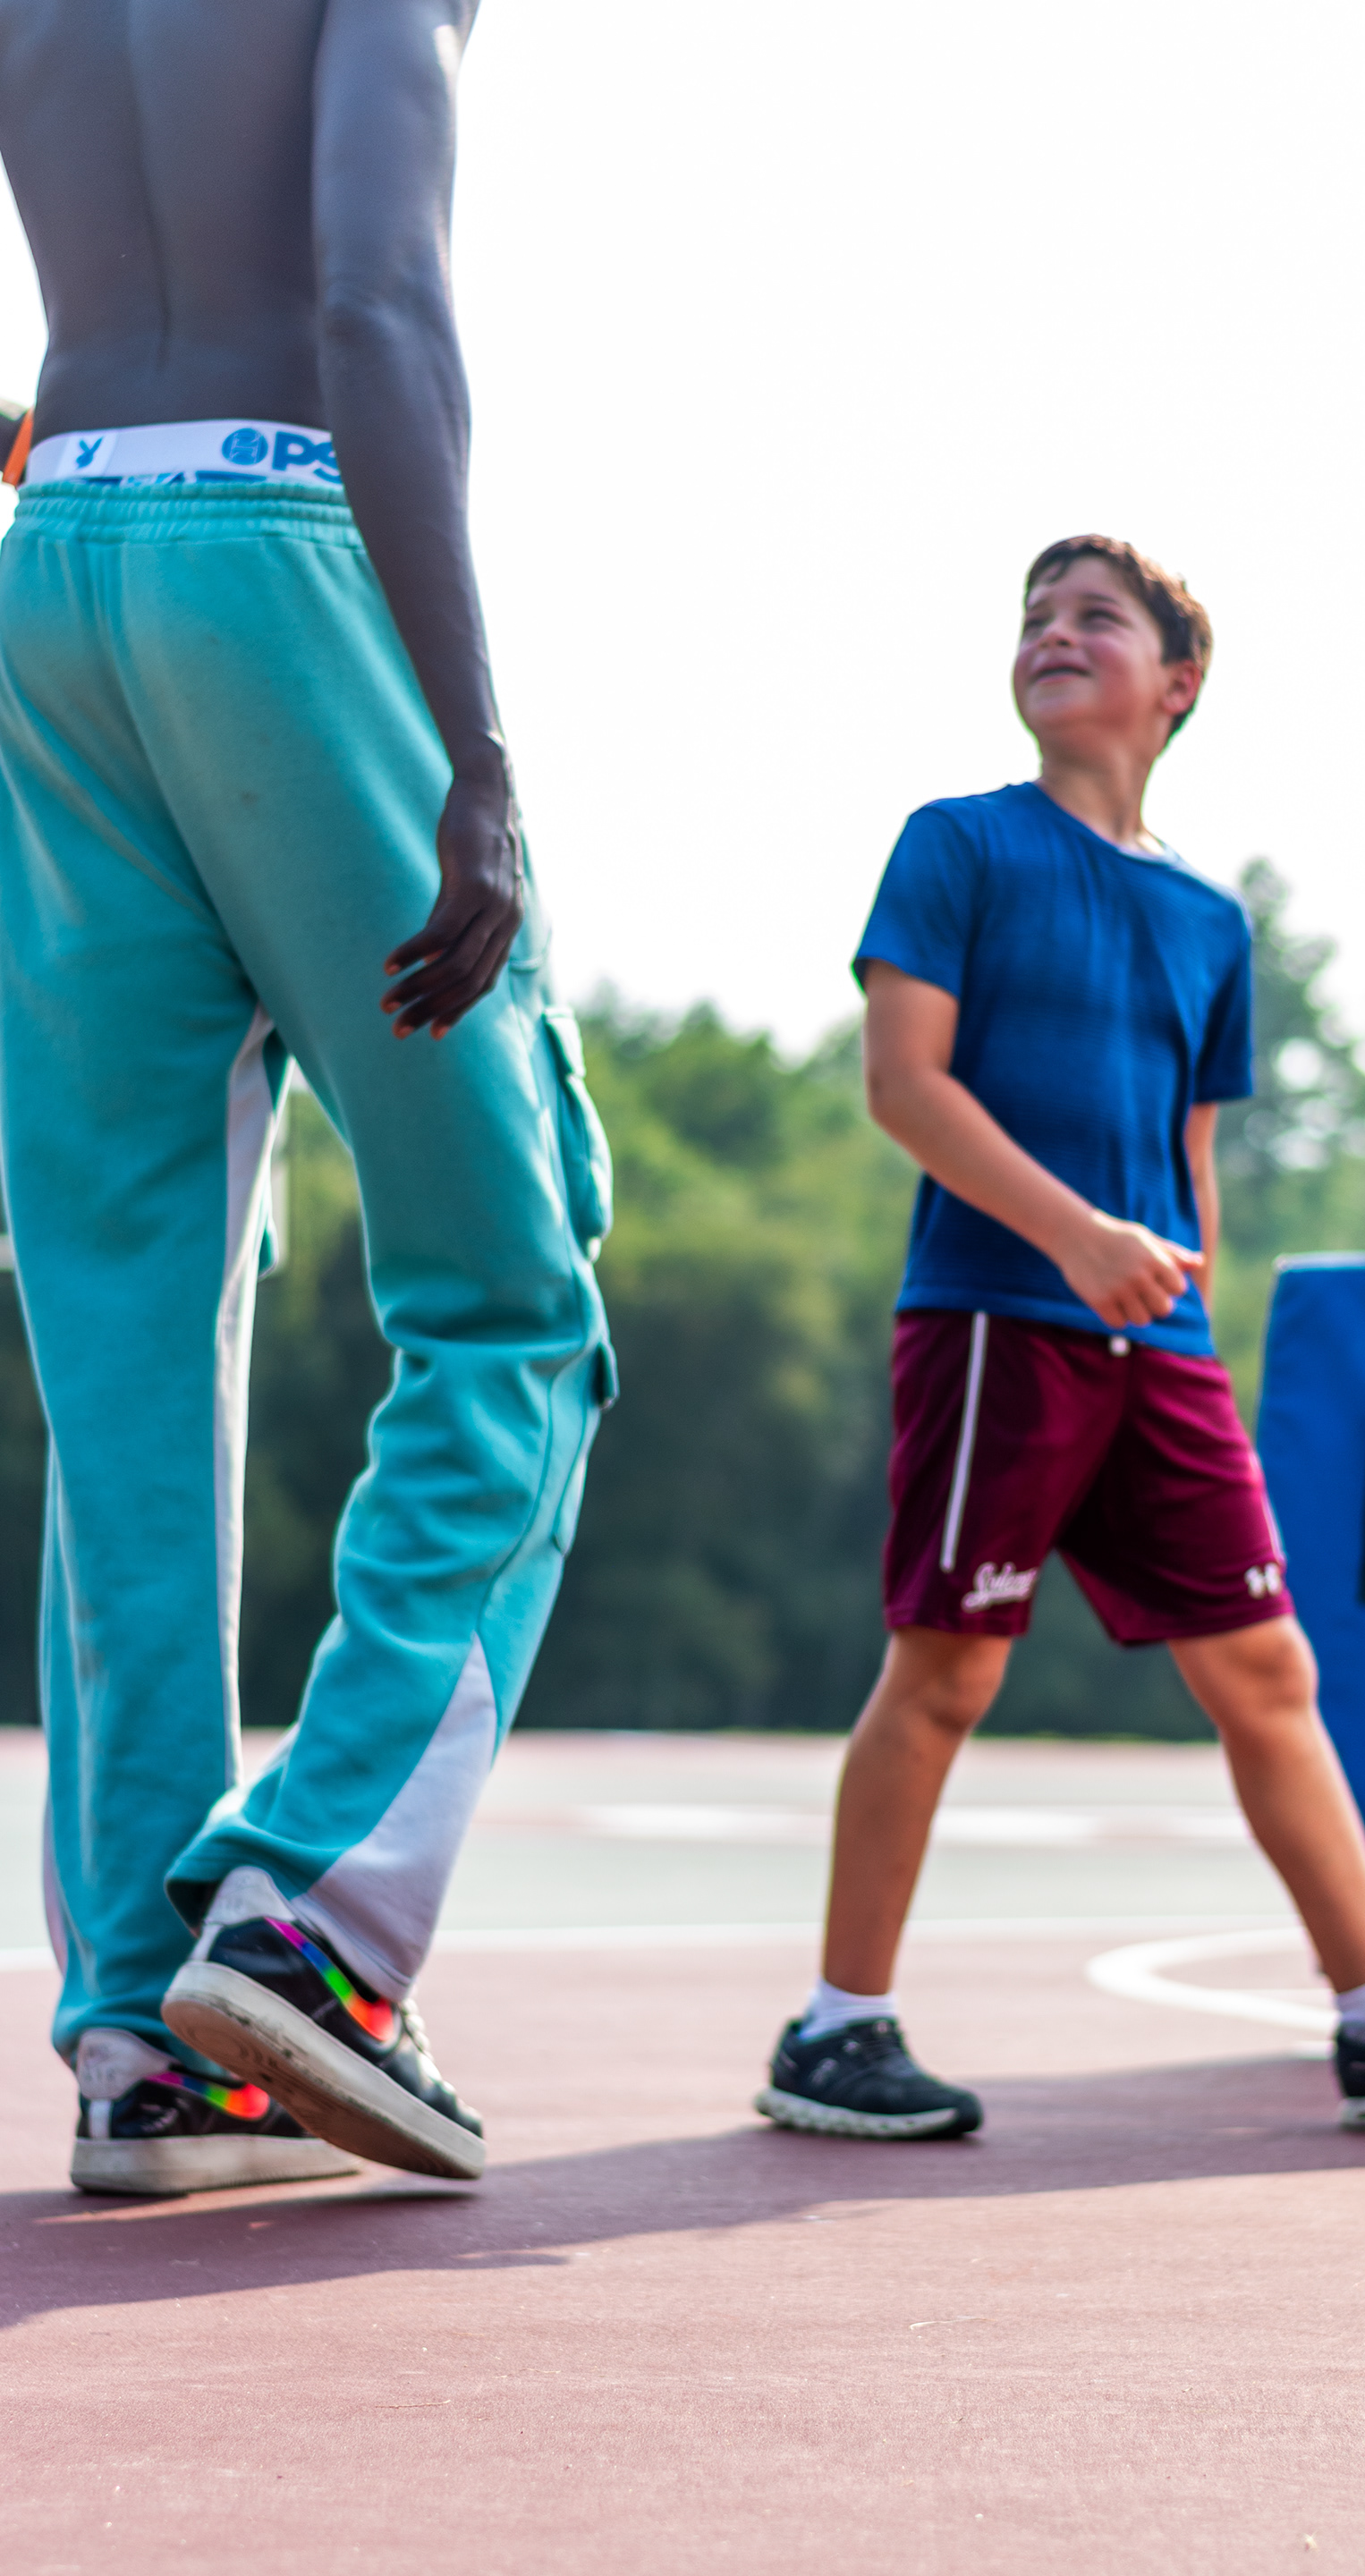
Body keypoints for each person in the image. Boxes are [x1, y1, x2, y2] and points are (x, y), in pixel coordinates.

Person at [754, 534, 1365, 2140]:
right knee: (947, 1669)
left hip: (1161, 1353)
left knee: (1269, 1668)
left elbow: (1191, 1157)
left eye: (1097, 617)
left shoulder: (1212, 921)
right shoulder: (957, 844)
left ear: (1178, 682)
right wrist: (1077, 1239)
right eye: (1035, 617)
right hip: (999, 1322)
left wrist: (1185, 1316)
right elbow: (902, 1086)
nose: (1054, 635)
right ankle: (835, 2031)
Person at [0, 0, 613, 2194]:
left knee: (126, 1350)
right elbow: (374, 302)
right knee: (514, 1293)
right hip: (279, 539)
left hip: (57, 570)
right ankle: (314, 1921)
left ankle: (144, 2044)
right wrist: (480, 755)